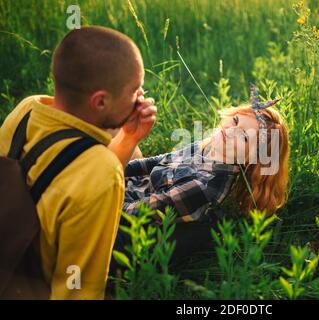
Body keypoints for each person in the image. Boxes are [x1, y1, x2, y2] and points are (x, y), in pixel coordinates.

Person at [0, 26, 156, 299]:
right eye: (134, 90)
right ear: (100, 102)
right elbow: (78, 286)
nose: (141, 97)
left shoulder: (27, 109)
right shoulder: (102, 172)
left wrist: (129, 138)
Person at [111, 102, 289, 268]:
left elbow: (138, 213)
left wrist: (106, 185)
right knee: (116, 129)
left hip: (125, 222)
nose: (230, 131)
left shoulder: (205, 187)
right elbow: (156, 161)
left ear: (253, 159)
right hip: (133, 187)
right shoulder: (207, 146)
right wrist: (115, 167)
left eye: (243, 137)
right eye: (235, 120)